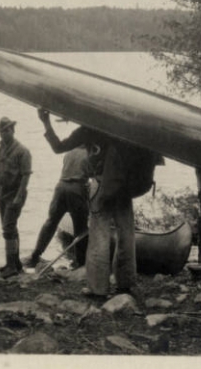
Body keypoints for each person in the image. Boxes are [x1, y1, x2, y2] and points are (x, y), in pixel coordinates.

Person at [37, 108, 135, 299]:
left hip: (101, 185)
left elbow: (58, 147)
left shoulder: (87, 130)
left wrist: (46, 121)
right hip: (124, 186)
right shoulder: (121, 125)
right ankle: (126, 283)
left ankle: (98, 288)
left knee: (99, 234)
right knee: (126, 233)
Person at [25, 146, 90, 269]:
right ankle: (81, 263)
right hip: (76, 189)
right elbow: (92, 174)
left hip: (60, 187)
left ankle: (35, 255)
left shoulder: (70, 151)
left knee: (51, 222)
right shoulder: (89, 154)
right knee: (81, 228)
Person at [0, 116, 32, 278]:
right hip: (2, 193)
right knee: (10, 227)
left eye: (6, 130)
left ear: (13, 130)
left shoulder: (22, 151)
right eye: (1, 131)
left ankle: (11, 267)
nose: (4, 134)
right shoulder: (0, 149)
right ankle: (14, 263)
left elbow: (26, 176)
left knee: (8, 228)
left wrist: (19, 196)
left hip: (15, 194)